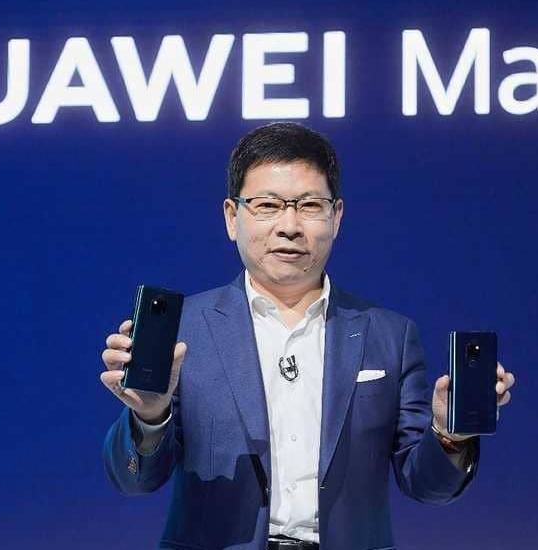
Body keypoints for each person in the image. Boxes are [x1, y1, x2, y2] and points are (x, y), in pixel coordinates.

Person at [100, 122, 516, 550]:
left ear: (337, 217)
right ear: (232, 217)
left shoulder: (389, 335)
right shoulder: (184, 331)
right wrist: (150, 417)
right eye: (267, 205)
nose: (289, 226)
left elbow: (427, 486)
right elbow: (135, 481)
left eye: (310, 205)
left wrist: (449, 433)